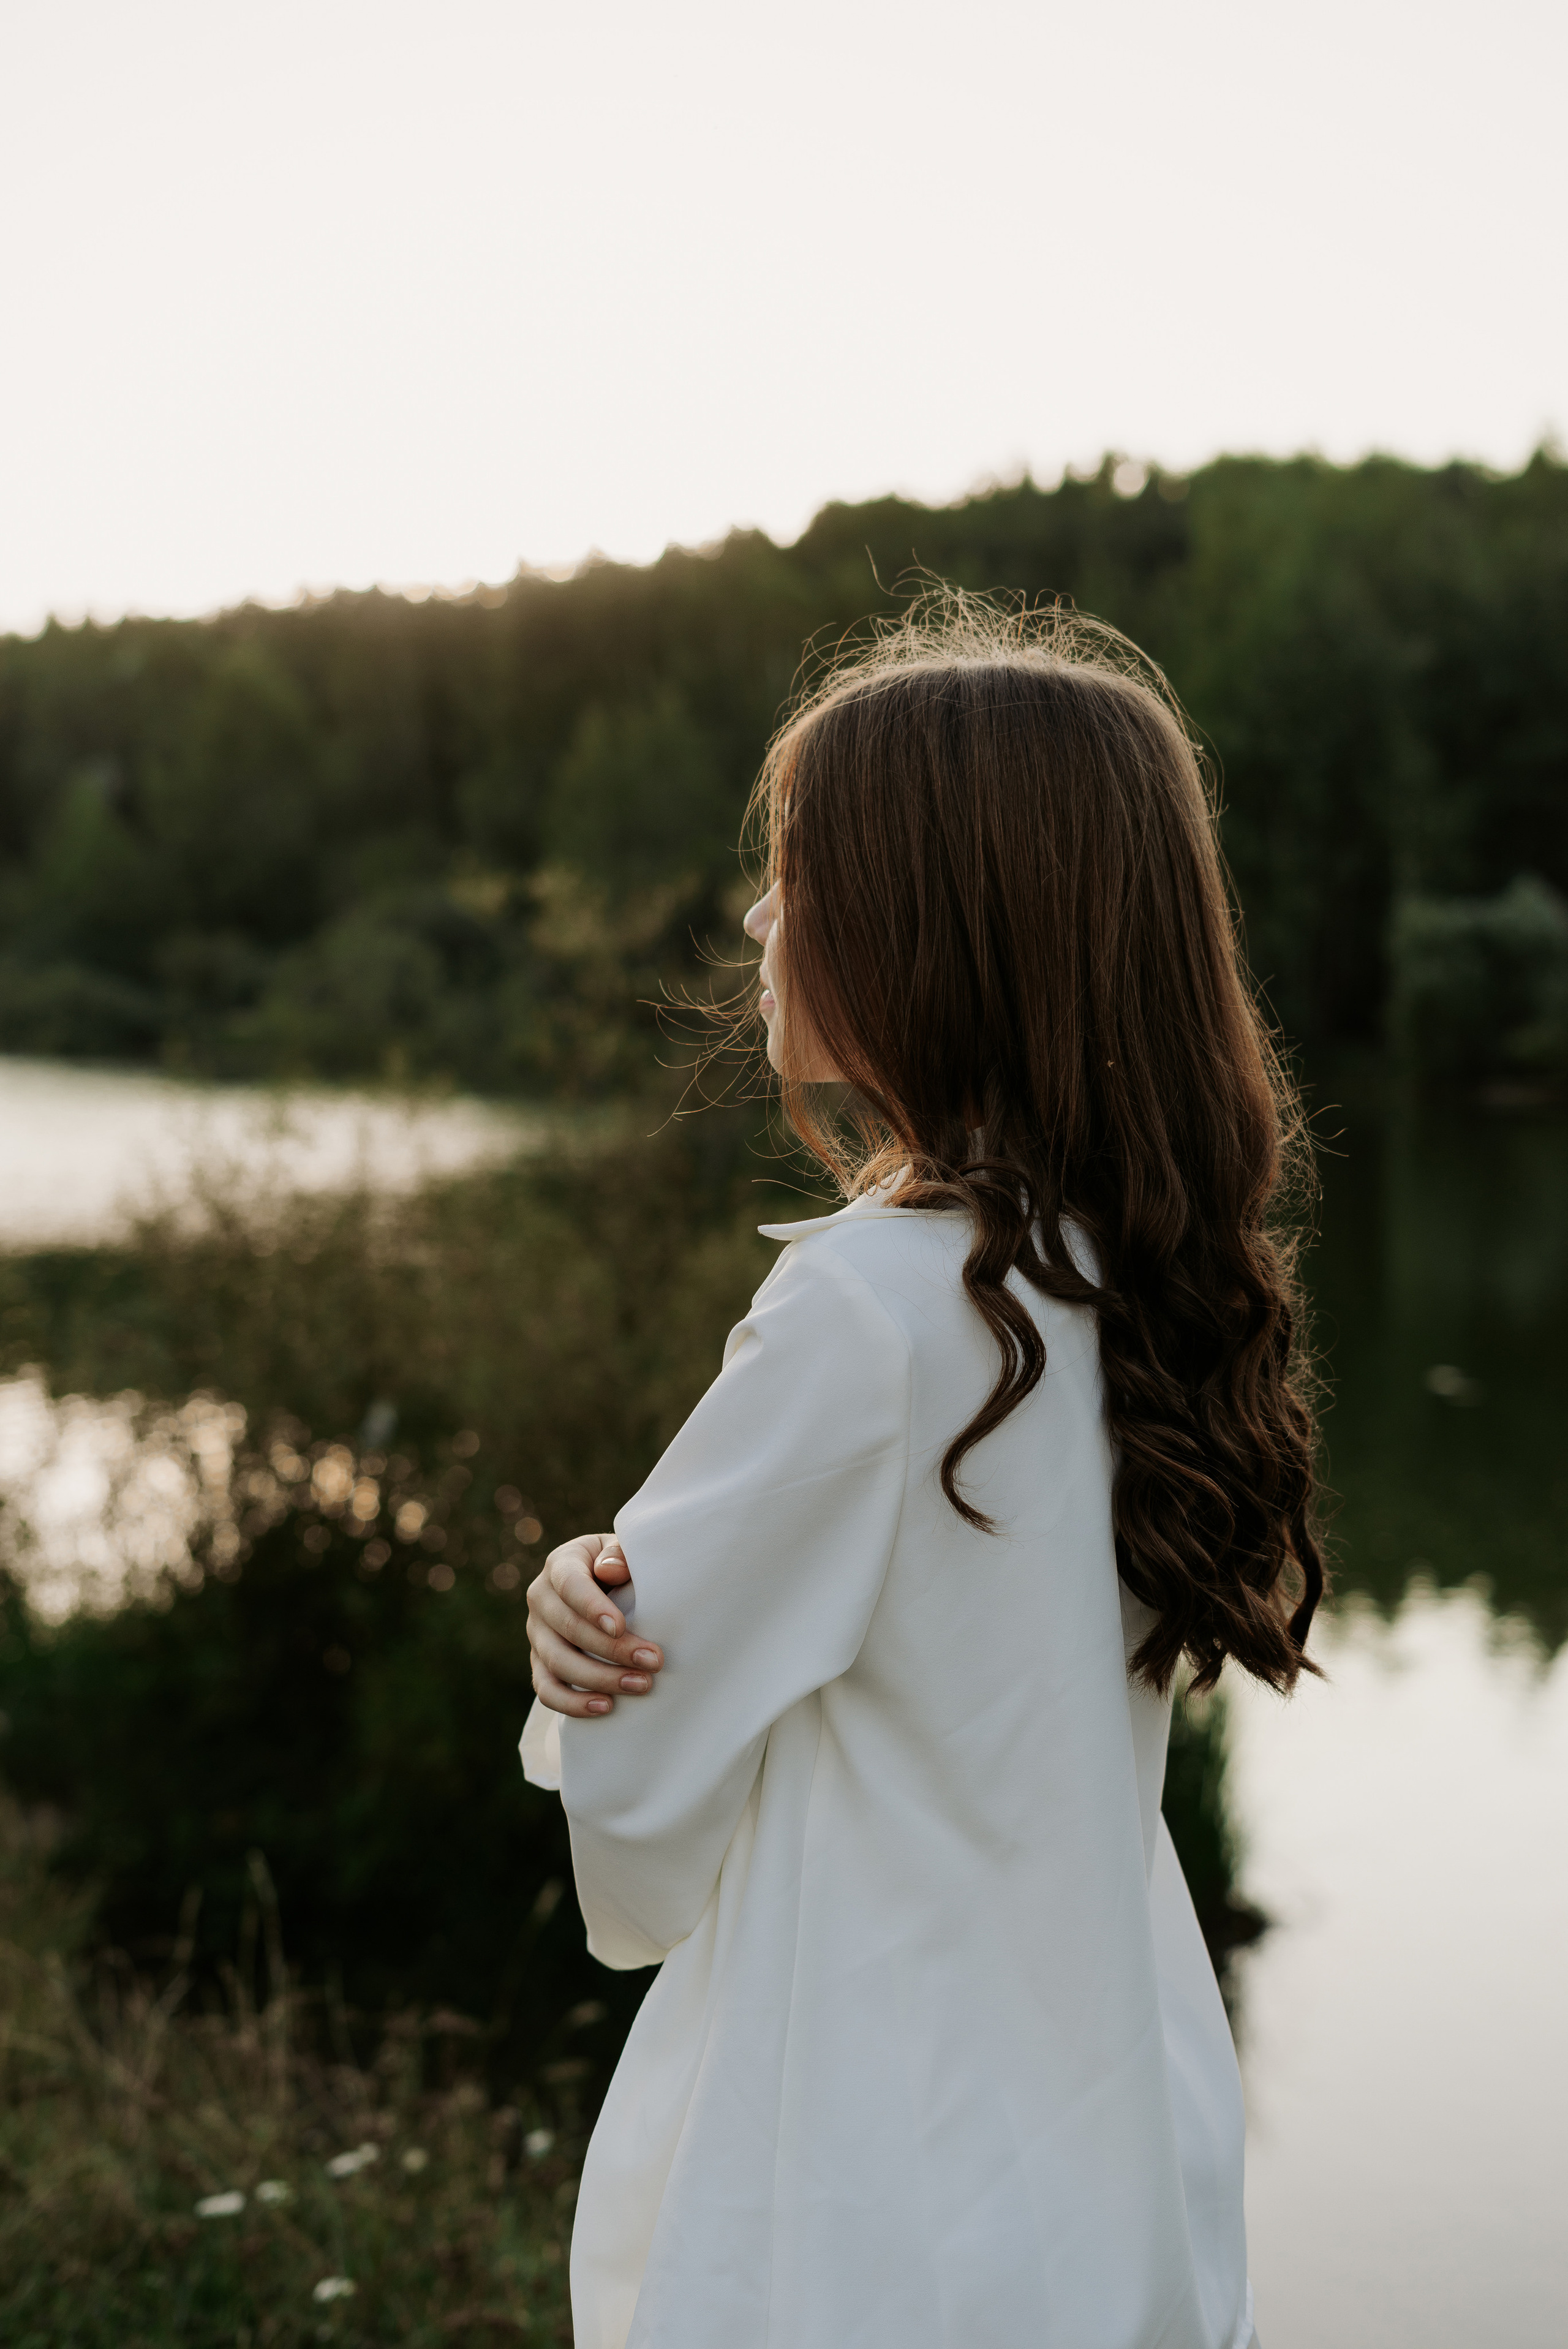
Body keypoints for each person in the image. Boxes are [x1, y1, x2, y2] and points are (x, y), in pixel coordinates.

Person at [520, 595, 1324, 2349]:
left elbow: (638, 1800)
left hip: (871, 2200)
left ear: (933, 928)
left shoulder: (865, 1312)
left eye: (801, 869)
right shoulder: (1143, 1281)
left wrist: (574, 1632)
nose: (757, 913)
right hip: (1120, 2168)